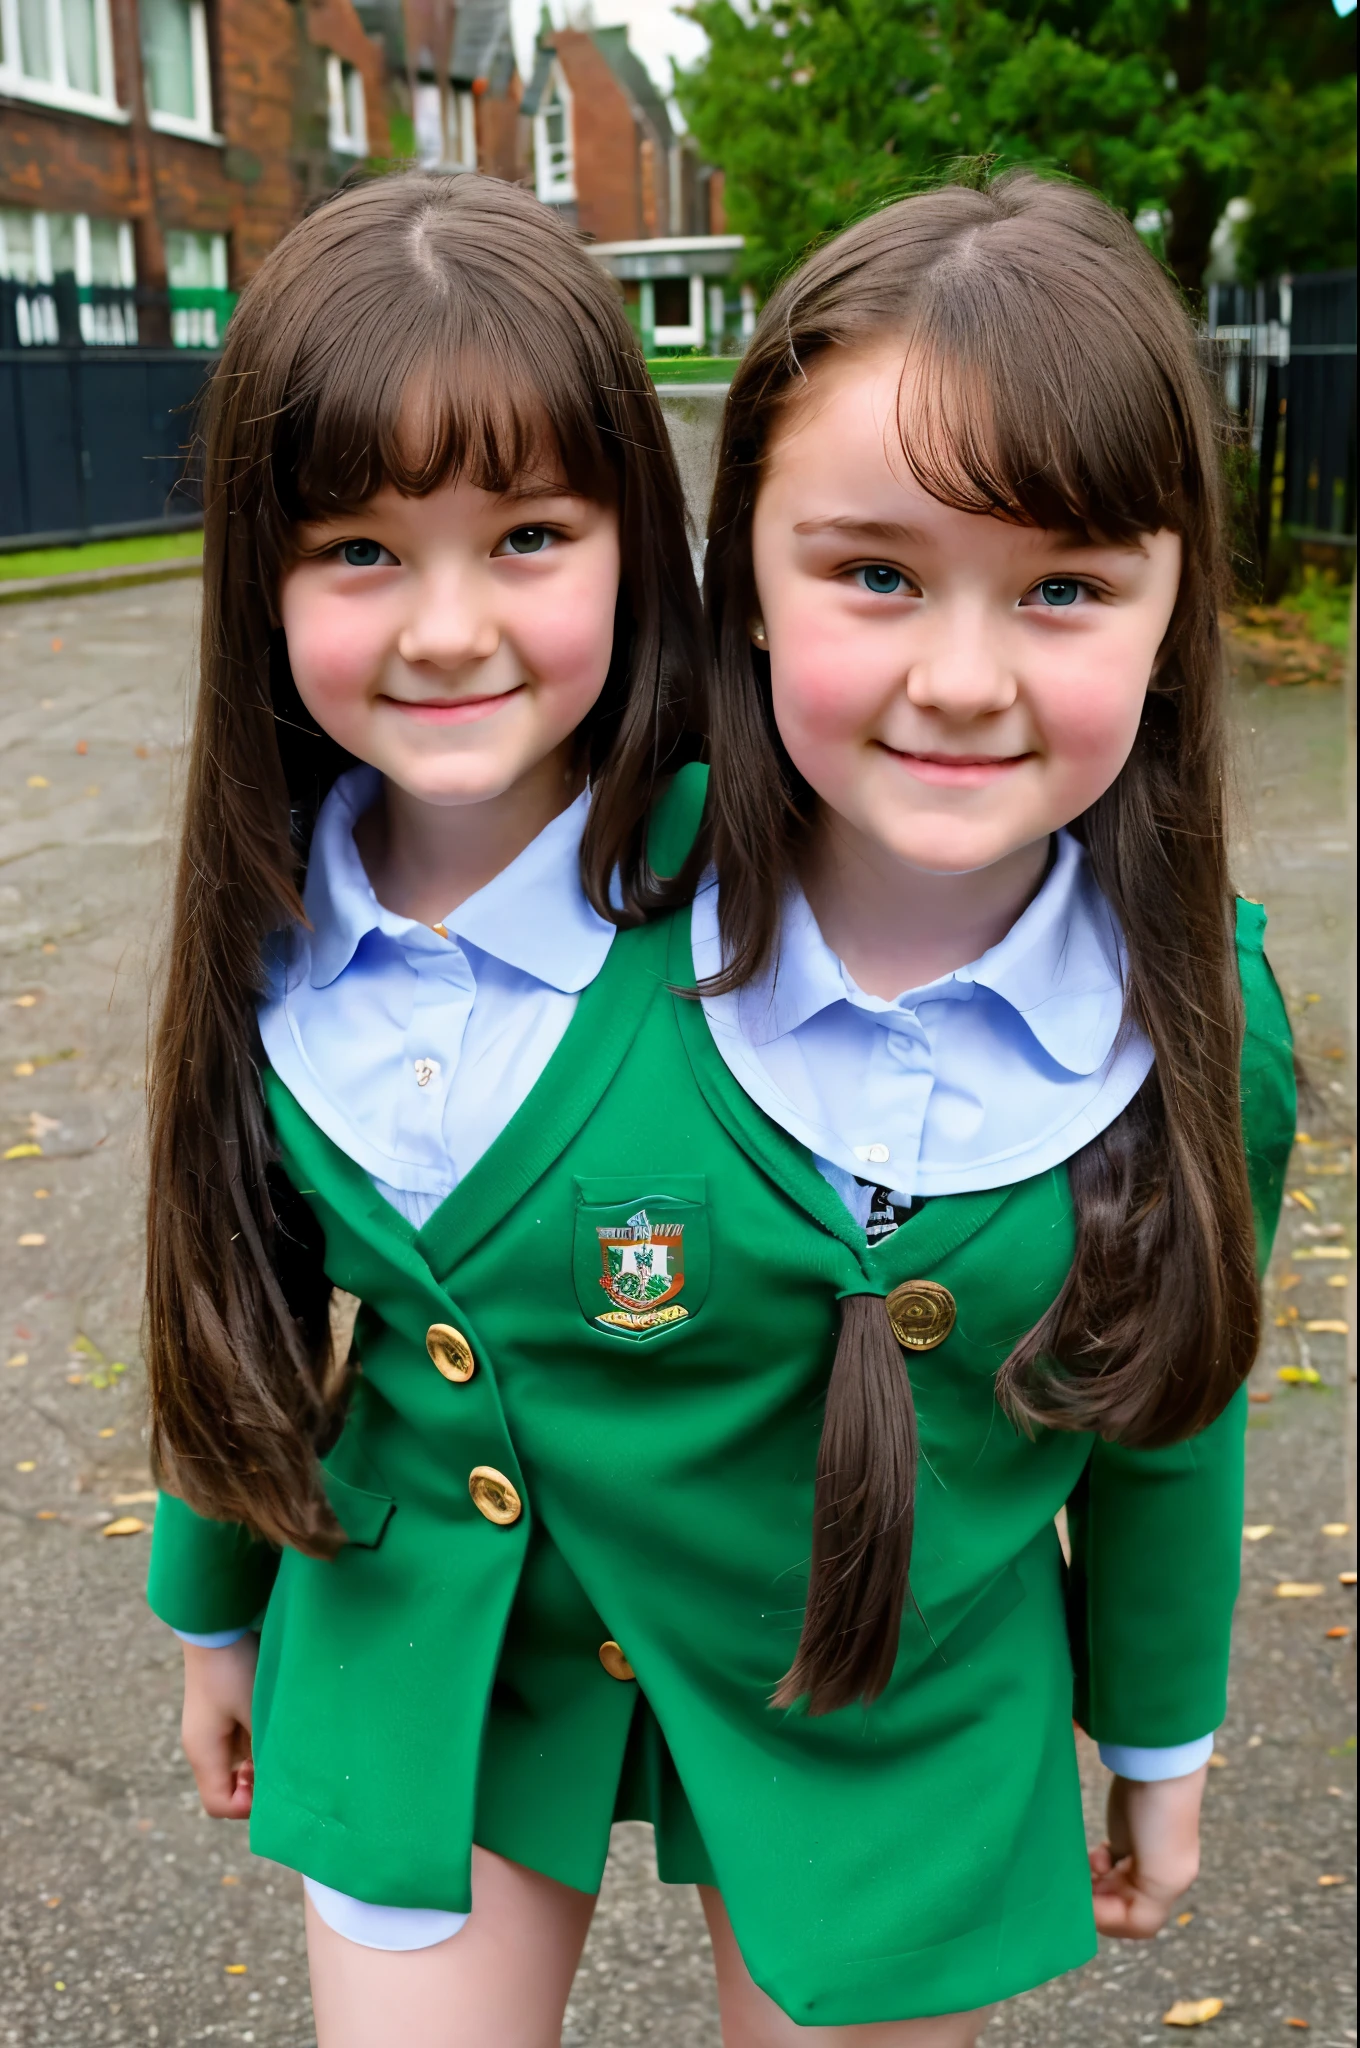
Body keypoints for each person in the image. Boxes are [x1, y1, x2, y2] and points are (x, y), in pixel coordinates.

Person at [678, 168, 1294, 2039]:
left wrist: (1159, 1744)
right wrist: (227, 1604)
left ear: (1177, 607)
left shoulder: (1203, 1018)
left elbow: (1169, 1406)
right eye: (875, 572)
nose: (962, 678)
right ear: (749, 587)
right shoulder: (592, 921)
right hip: (536, 1651)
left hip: (923, 1706)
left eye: (1064, 589)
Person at [141, 170, 707, 2043]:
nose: (450, 628)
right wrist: (212, 1619)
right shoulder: (264, 910)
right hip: (404, 1633)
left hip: (788, 1621)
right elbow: (237, 1288)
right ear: (261, 576)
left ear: (639, 537)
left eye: (530, 532)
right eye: (360, 550)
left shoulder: (784, 882)